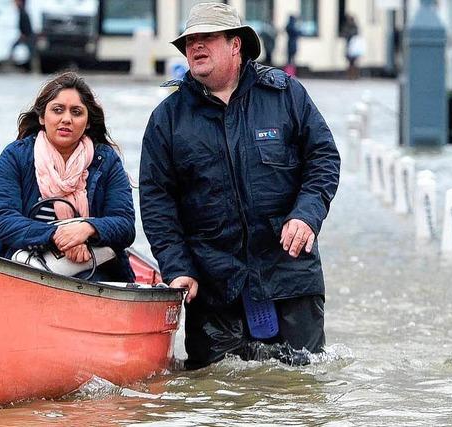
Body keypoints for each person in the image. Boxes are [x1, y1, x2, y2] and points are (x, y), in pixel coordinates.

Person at [139, 3, 340, 369]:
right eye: (190, 40)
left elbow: (324, 160)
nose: (195, 46)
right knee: (215, 400)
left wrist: (307, 216)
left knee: (302, 394)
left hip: (289, 279)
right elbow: (156, 202)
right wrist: (176, 266)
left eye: (207, 38)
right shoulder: (167, 119)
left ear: (236, 44)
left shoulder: (286, 96)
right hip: (213, 291)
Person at [0, 72, 136, 282]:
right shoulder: (15, 156)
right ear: (41, 117)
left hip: (92, 268)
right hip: (20, 269)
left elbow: (125, 225)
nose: (66, 119)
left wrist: (87, 229)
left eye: (76, 112)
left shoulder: (106, 160)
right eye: (57, 110)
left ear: (88, 122)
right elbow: (3, 220)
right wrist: (57, 237)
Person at [11, 0, 35, 72]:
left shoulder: (23, 12)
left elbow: (26, 25)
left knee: (31, 53)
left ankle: (32, 68)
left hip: (27, 35)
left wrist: (24, 34)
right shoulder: (20, 12)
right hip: (25, 34)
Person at [341, 15, 362, 79]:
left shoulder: (352, 27)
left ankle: (354, 75)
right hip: (350, 46)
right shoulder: (350, 27)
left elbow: (348, 34)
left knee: (353, 62)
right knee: (351, 62)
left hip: (353, 46)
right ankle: (352, 75)